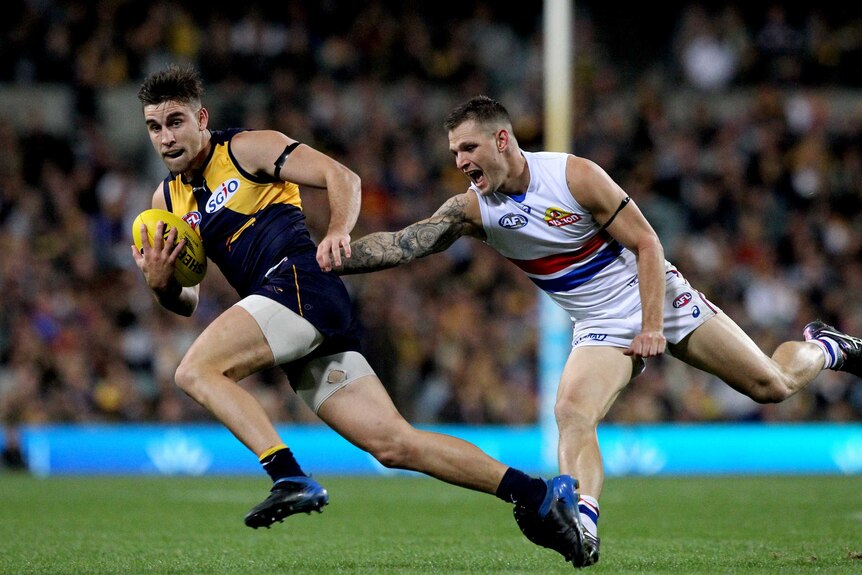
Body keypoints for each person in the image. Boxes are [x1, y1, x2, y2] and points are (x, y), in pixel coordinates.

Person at [335, 95, 862, 567]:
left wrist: (654, 325)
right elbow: (404, 244)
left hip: (655, 295)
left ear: (502, 139)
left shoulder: (573, 176)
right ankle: (582, 522)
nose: (460, 162)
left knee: (771, 386)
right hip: (600, 324)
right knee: (571, 412)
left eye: (468, 147)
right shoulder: (472, 210)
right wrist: (327, 261)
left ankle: (824, 347)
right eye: (453, 153)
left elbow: (649, 245)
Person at [132, 65, 590, 567]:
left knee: (195, 370)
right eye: (155, 127)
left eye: (176, 121)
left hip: (299, 284)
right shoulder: (166, 201)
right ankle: (539, 495)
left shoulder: (244, 149)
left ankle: (287, 474)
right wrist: (162, 285)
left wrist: (337, 231)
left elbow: (340, 176)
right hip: (287, 311)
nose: (166, 136)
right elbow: (187, 301)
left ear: (201, 117)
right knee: (394, 445)